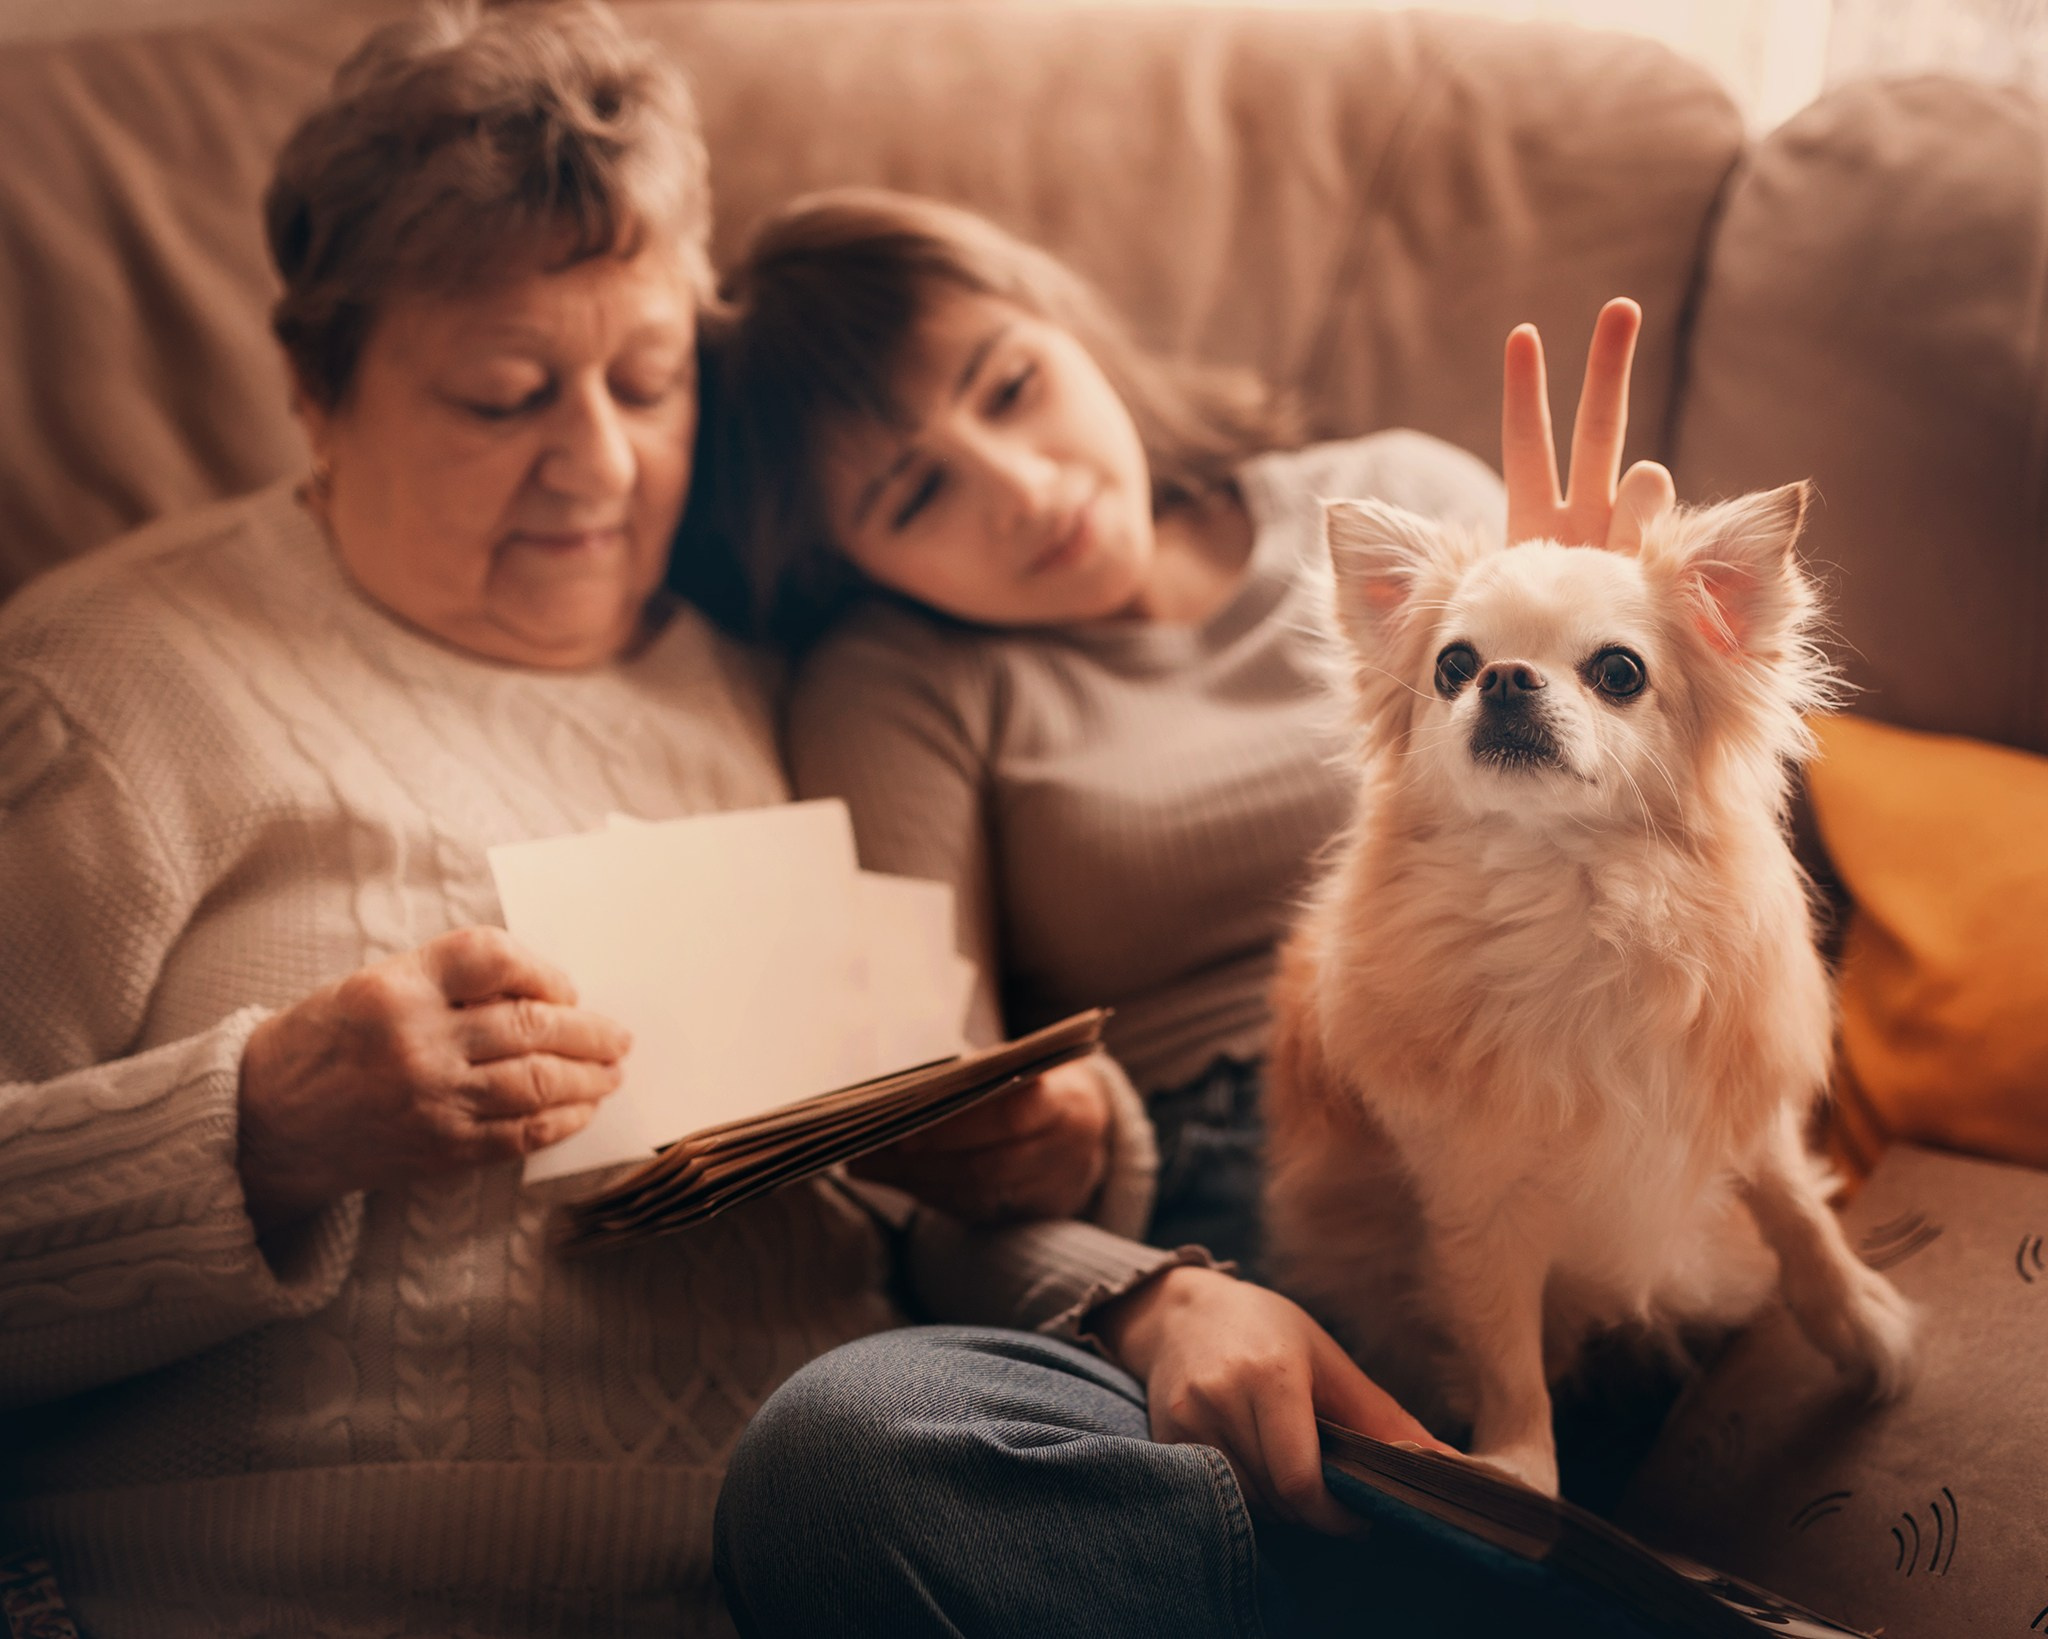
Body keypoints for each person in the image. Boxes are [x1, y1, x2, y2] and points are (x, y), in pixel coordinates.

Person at [0, 8, 1447, 1635]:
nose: (601, 464)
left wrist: (1101, 1218)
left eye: (650, 376)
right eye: (501, 397)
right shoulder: (112, 688)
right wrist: (260, 1126)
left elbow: (922, 1238)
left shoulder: (791, 691)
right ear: (313, 389)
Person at [693, 190, 1679, 1632]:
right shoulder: (897, 686)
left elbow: (1737, 920)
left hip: (1562, 1120)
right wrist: (1159, 1300)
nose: (1020, 487)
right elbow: (929, 1181)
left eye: (1012, 386)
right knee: (839, 1460)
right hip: (1221, 1240)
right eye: (915, 496)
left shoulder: (1395, 496)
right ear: (852, 561)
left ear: (1068, 319)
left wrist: (1646, 699)